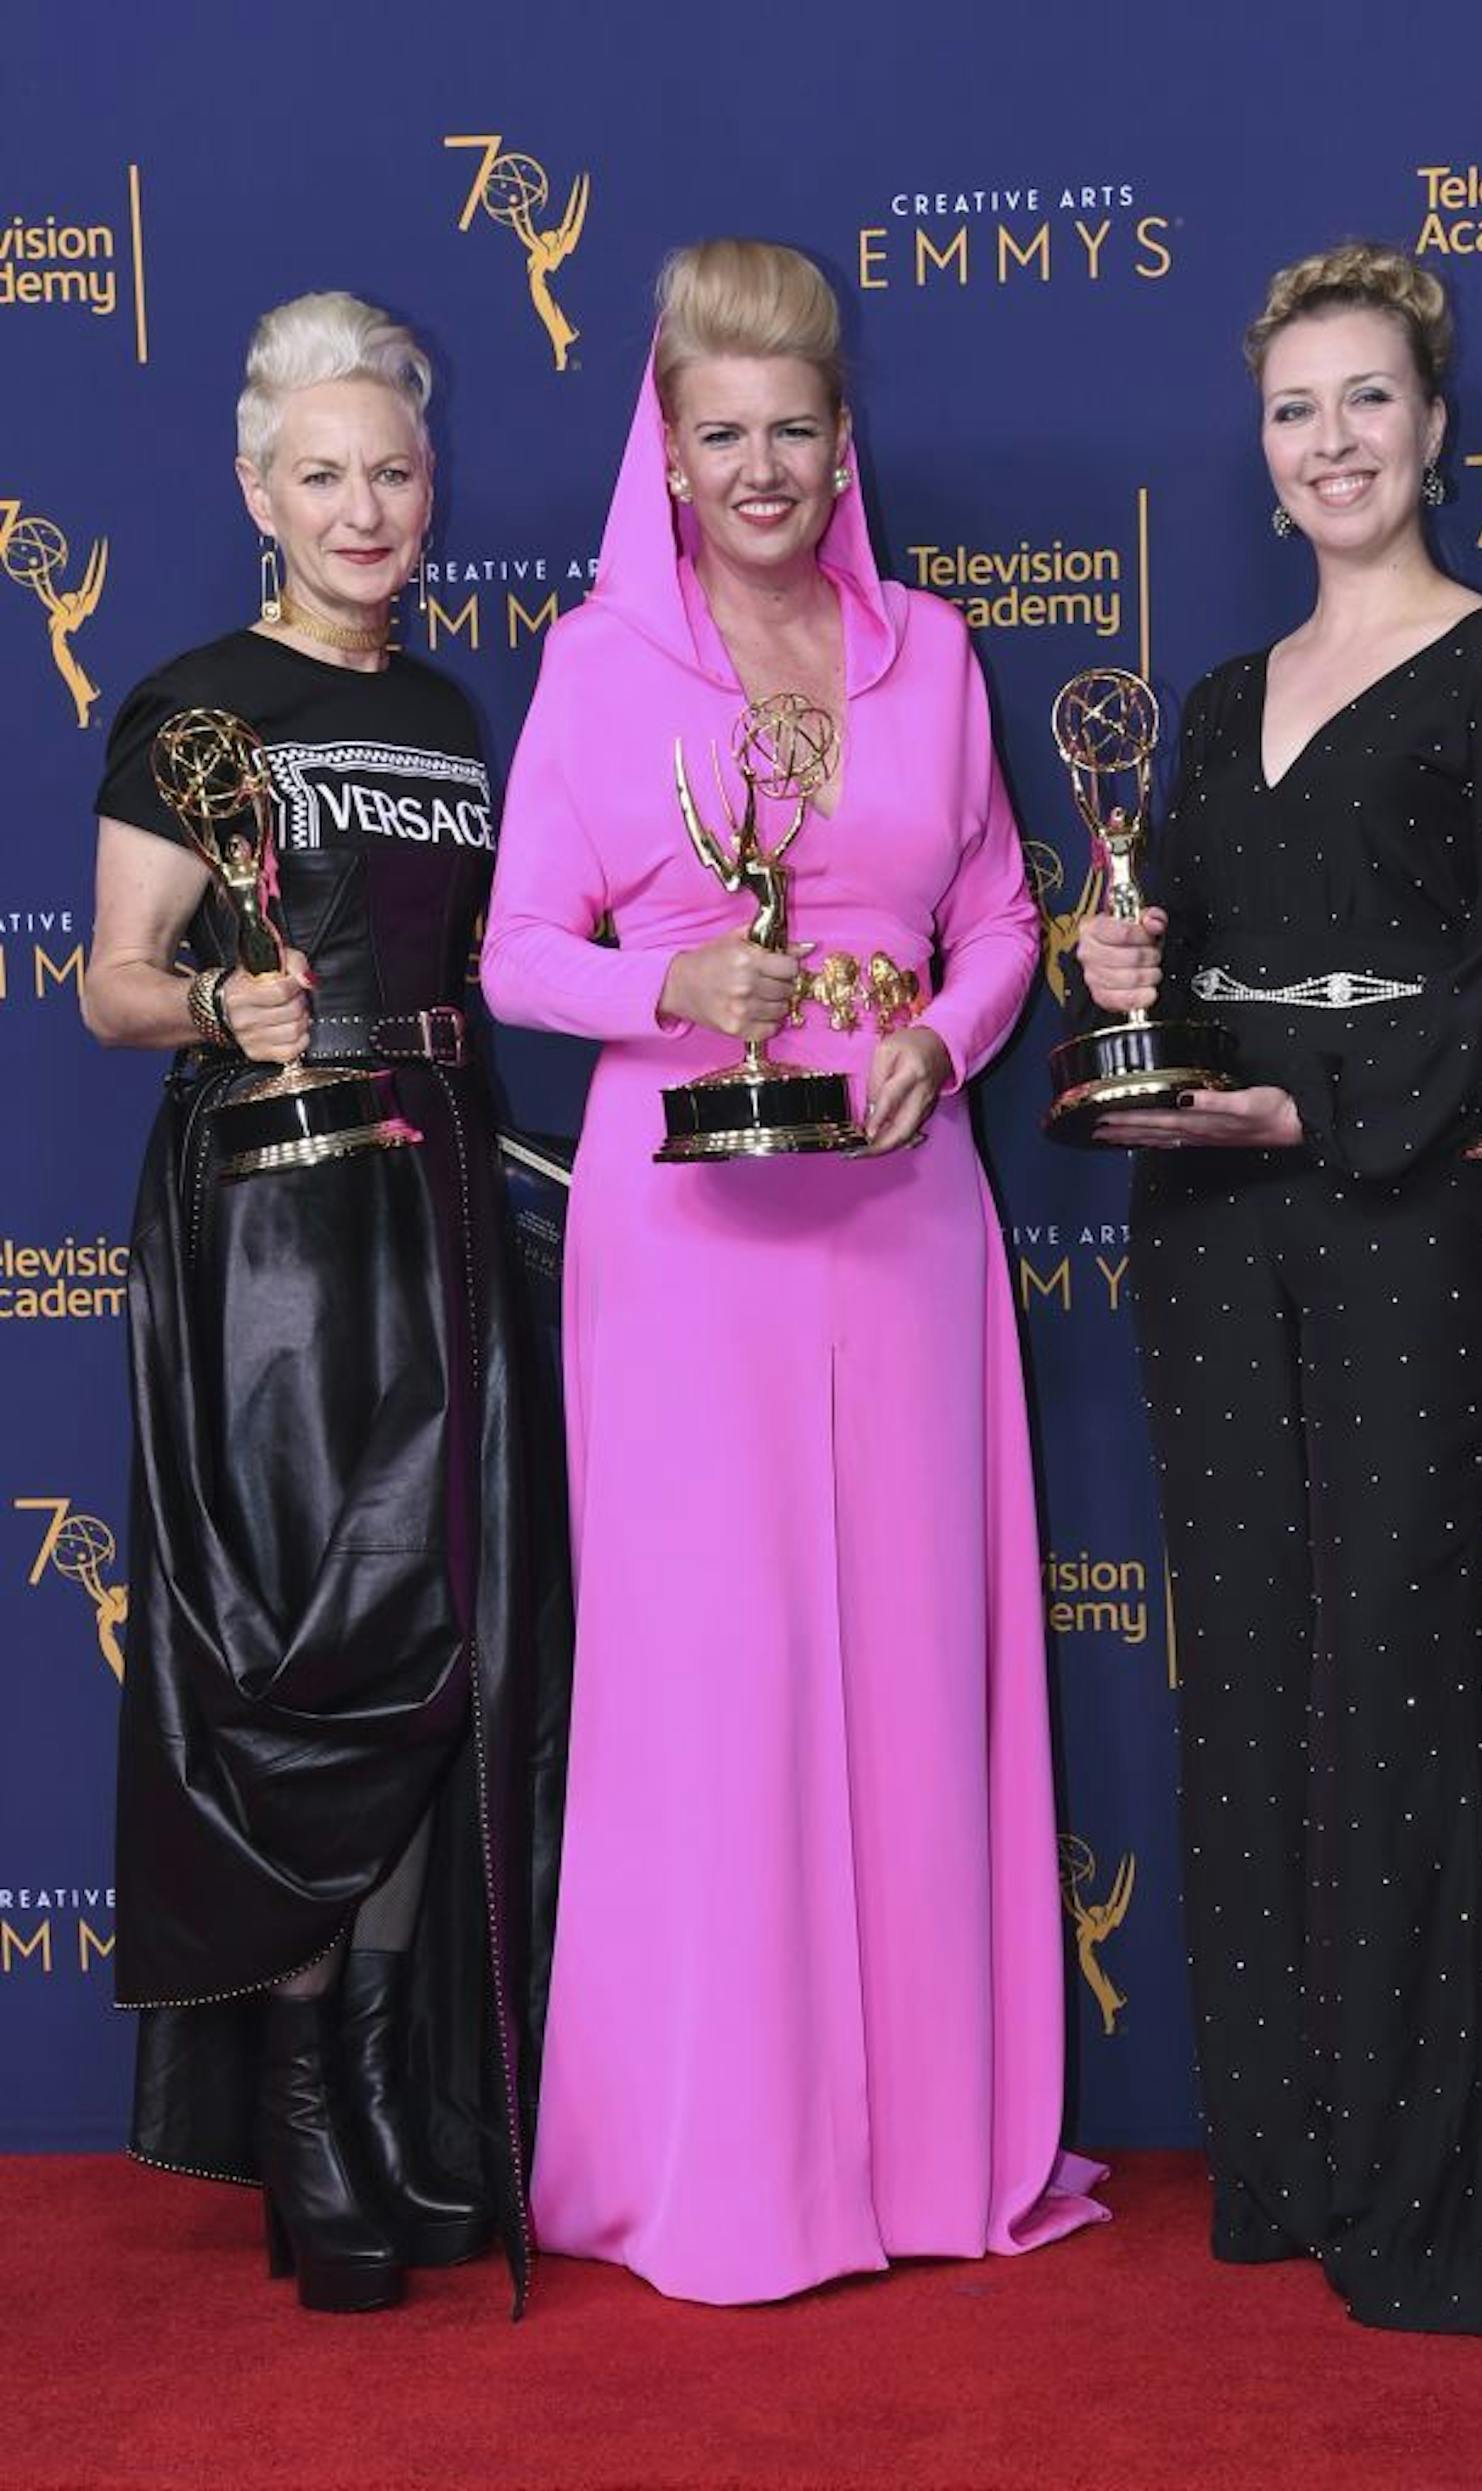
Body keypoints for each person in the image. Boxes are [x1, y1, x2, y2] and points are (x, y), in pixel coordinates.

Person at [481, 238, 1106, 2306]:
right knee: (722, 1692)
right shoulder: (591, 666)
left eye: (796, 431)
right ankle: (729, 2170)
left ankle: (928, 2159)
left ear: (851, 443)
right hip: (689, 1232)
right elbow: (513, 956)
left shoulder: (932, 651)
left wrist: (951, 1030)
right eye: (722, 434)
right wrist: (673, 972)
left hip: (908, 1220)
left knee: (915, 1674)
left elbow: (1005, 911)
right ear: (662, 447)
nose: (763, 469)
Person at [1076, 242, 1482, 2333]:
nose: (1334, 442)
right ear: (1261, 455)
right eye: (1297, 411)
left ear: (1436, 429)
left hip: (1410, 1215)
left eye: (1370, 400)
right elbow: (1189, 970)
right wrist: (1128, 981)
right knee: (1253, 1675)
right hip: (1212, 1225)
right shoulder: (1204, 700)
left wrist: (1319, 1104)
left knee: (1394, 1678)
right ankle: (1280, 2158)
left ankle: (1430, 2203)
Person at [85, 293, 565, 2315]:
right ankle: (298, 2113)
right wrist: (219, 1000)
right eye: (323, 475)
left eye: (392, 471)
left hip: (442, 1192)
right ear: (255, 491)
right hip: (270, 1234)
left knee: (438, 1639)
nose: (365, 505)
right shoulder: (191, 705)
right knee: (305, 1655)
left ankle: (381, 2095)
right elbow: (109, 981)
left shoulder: (459, 716)